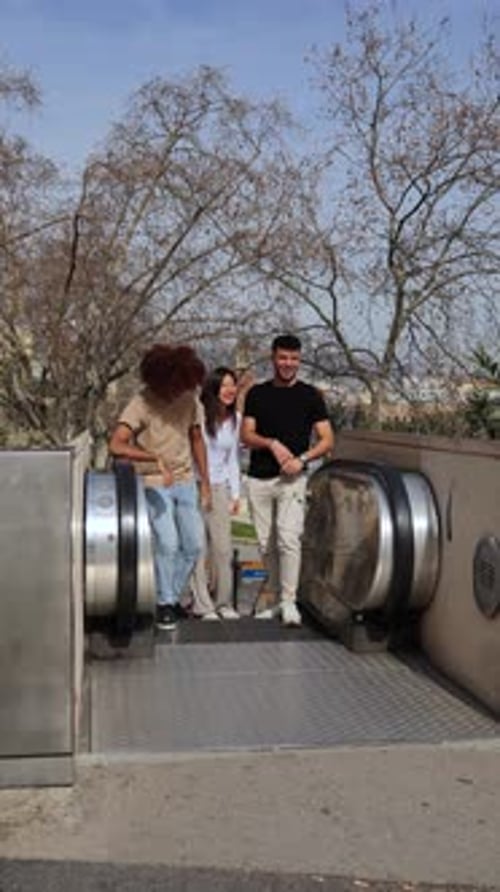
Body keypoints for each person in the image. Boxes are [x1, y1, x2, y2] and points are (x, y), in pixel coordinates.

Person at [108, 343, 210, 631]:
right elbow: (116, 444)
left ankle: (168, 597)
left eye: (182, 388)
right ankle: (165, 603)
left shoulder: (190, 399)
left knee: (193, 545)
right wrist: (152, 458)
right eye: (172, 388)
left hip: (185, 480)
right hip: (153, 481)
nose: (176, 394)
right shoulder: (141, 402)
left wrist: (206, 482)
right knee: (167, 542)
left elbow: (197, 440)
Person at [241, 334, 334, 626]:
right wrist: (271, 443)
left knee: (288, 539)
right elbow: (246, 435)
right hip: (259, 479)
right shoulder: (257, 393)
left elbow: (327, 439)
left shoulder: (310, 396)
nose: (288, 364)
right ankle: (275, 599)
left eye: (293, 359)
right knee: (266, 544)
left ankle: (290, 602)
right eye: (283, 358)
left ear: (300, 360)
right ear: (273, 358)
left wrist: (302, 459)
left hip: (293, 480)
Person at [191, 366, 241, 620]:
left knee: (223, 548)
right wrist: (201, 486)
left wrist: (235, 494)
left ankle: (224, 603)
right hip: (196, 485)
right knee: (198, 547)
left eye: (233, 385)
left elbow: (232, 459)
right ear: (213, 389)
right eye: (224, 385)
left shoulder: (236, 420)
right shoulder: (198, 416)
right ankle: (202, 603)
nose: (230, 390)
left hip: (221, 486)